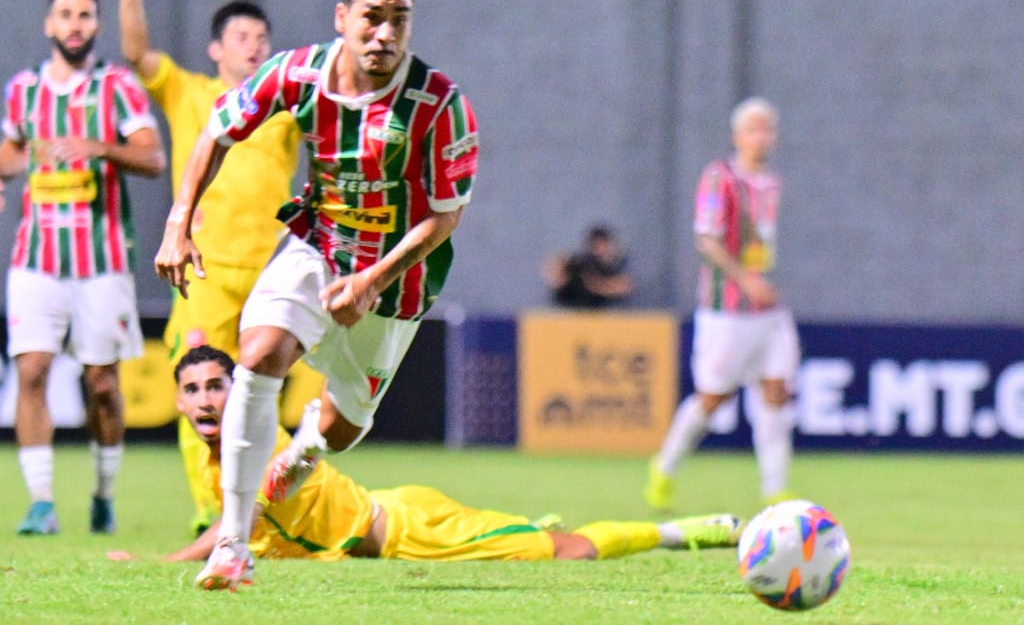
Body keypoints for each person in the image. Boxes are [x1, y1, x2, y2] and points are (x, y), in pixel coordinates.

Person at [154, 0, 479, 589]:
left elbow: (444, 217)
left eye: (398, 21)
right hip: (318, 245)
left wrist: (373, 280)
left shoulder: (439, 104)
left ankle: (303, 449)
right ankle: (232, 544)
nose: (383, 34)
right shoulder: (298, 73)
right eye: (371, 17)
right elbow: (217, 132)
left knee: (345, 427)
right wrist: (178, 222)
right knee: (260, 353)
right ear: (342, 18)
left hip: (395, 286)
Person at [152, 345, 742, 587]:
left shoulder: (255, 440)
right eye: (193, 390)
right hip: (378, 529)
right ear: (177, 401)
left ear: (241, 393)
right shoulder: (212, 463)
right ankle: (519, 527)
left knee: (572, 553)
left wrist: (163, 562)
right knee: (534, 540)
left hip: (411, 530)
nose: (206, 399)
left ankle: (684, 532)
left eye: (216, 387)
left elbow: (246, 514)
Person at [117, 0, 322, 538]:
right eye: (242, 37)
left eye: (261, 37)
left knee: (255, 392)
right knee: (200, 388)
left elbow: (324, 155)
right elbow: (135, 53)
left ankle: (264, 502)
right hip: (204, 272)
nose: (255, 45)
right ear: (217, 48)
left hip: (268, 271)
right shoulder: (189, 92)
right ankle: (212, 509)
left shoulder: (285, 109)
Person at [0, 0, 166, 535]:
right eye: (65, 15)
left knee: (101, 382)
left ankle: (103, 492)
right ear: (49, 25)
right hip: (36, 257)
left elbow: (154, 157)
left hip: (102, 258)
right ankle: (41, 503)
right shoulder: (23, 91)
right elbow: (11, 153)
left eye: (86, 16)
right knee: (32, 370)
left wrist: (100, 148)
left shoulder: (116, 87)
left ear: (97, 26)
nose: (75, 24)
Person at [645, 97, 800, 511]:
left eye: (767, 129)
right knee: (713, 398)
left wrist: (763, 280)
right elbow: (707, 239)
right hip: (726, 309)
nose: (761, 137)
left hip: (767, 310)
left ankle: (775, 490)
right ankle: (665, 465)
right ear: (737, 135)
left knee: (777, 389)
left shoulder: (772, 182)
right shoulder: (720, 177)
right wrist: (745, 280)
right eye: (753, 129)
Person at [543, 224, 634, 308]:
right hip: (572, 310)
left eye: (604, 245)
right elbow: (554, 269)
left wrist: (601, 285)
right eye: (597, 245)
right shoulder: (580, 262)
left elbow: (624, 287)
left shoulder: (614, 266)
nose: (601, 249)